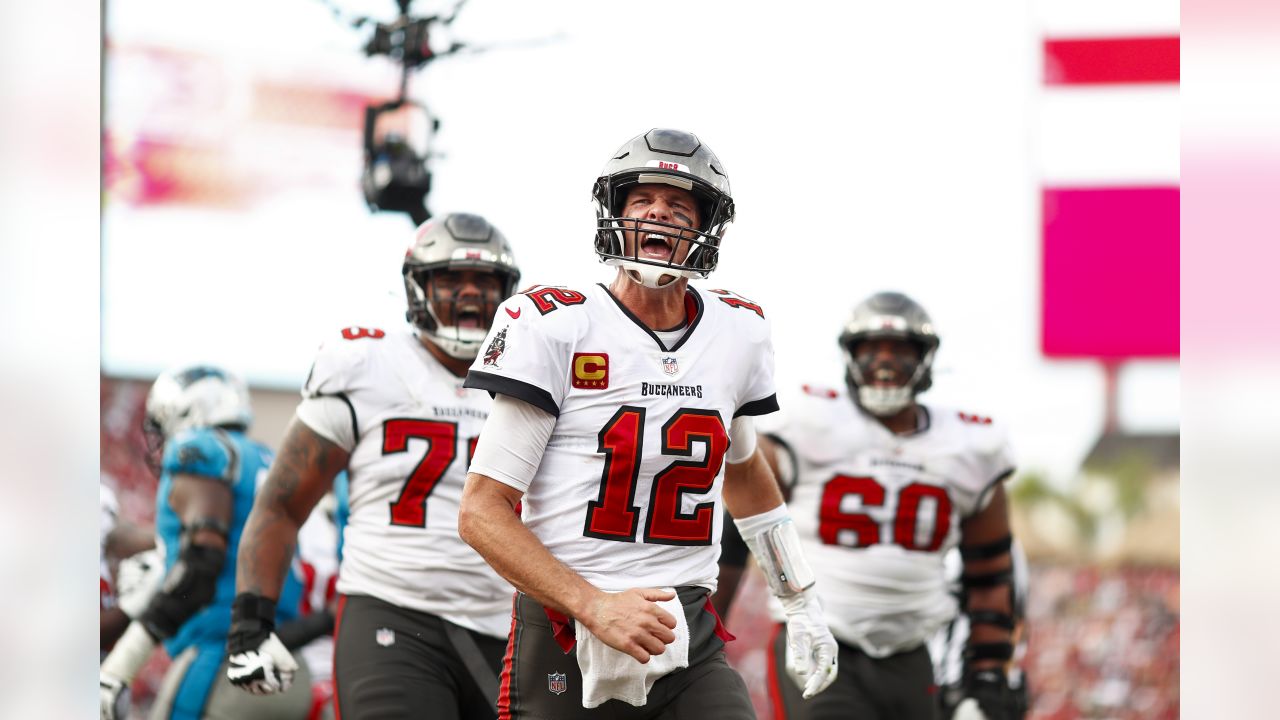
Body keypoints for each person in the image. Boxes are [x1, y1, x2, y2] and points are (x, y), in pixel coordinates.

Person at [457, 128, 839, 719]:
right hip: (568, 625)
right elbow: (482, 511)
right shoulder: (555, 324)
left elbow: (743, 473)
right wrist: (593, 604)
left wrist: (799, 599)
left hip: (688, 629)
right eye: (641, 201)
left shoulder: (737, 333)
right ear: (615, 215)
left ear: (704, 229)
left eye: (680, 204)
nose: (659, 212)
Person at [226, 213, 523, 720]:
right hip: (391, 609)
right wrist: (251, 621)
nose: (470, 295)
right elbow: (280, 504)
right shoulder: (368, 364)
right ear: (418, 287)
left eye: (484, 281)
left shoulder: (532, 377)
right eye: (452, 279)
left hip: (508, 627)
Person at [753, 291, 1022, 720]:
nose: (885, 360)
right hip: (820, 635)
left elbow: (991, 574)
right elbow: (741, 516)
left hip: (911, 654)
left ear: (926, 359)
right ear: (849, 355)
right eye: (871, 348)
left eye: (900, 349)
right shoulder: (806, 421)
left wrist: (989, 673)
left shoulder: (971, 446)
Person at [100, 366, 312, 720]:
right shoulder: (263, 458)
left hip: (221, 662)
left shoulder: (198, 449)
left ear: (188, 411)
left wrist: (122, 665)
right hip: (287, 663)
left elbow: (201, 562)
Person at [929, 542, 1030, 719]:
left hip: (970, 686)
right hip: (930, 685)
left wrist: (991, 685)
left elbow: (1014, 620)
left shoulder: (998, 545)